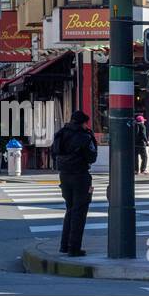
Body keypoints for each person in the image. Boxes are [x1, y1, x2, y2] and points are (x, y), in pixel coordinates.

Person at [51, 110, 98, 257]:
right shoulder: (85, 136)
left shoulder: (61, 133)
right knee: (79, 212)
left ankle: (64, 245)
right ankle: (74, 248)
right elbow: (92, 157)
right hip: (80, 175)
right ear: (84, 123)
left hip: (64, 176)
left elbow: (54, 152)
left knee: (70, 210)